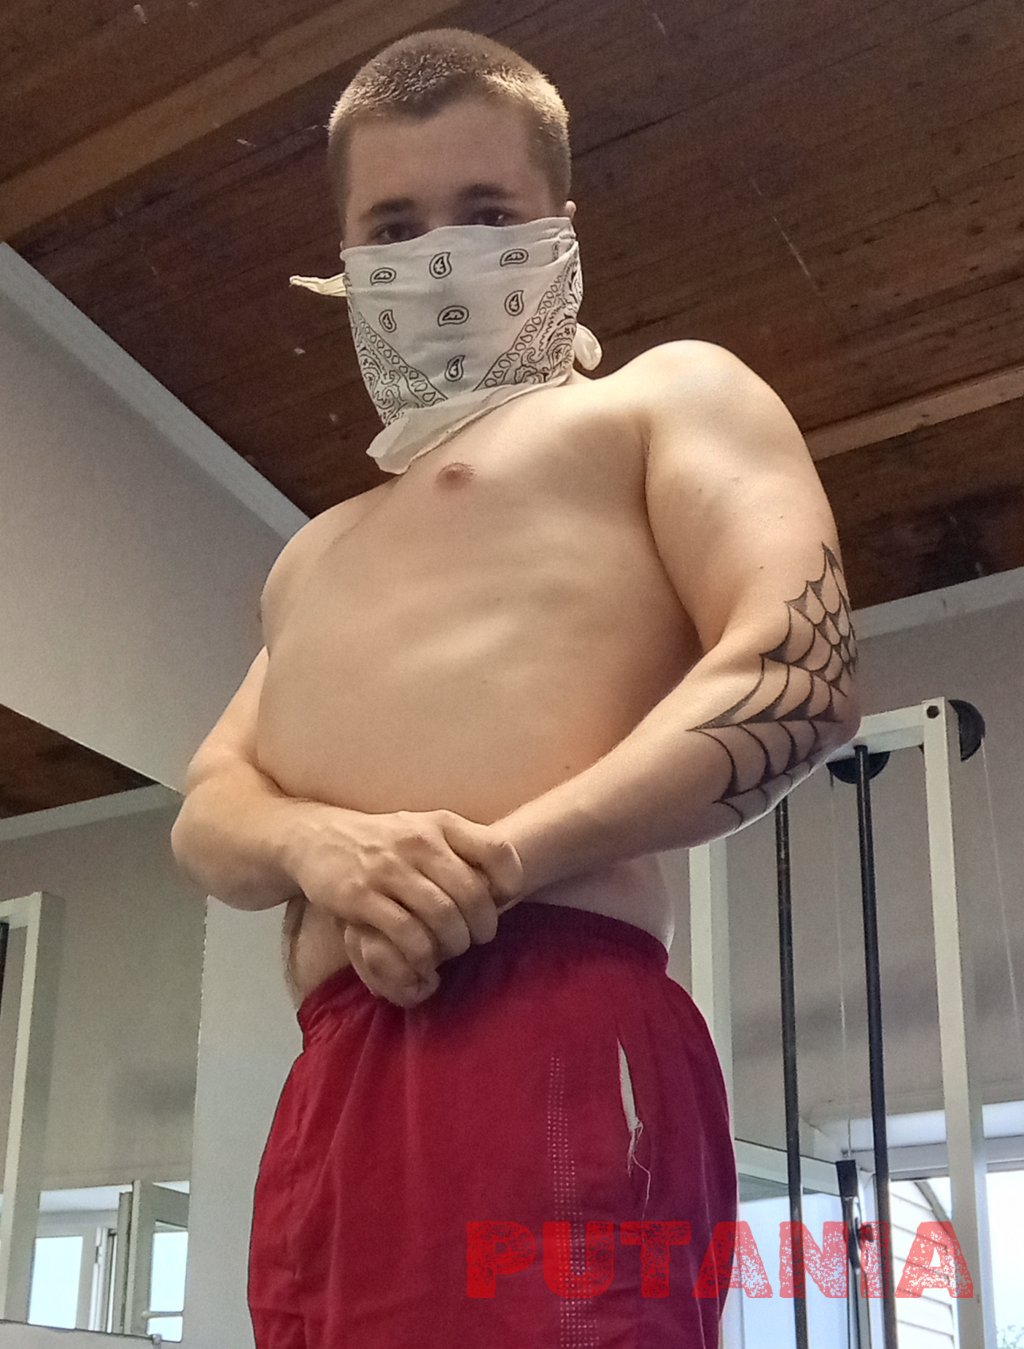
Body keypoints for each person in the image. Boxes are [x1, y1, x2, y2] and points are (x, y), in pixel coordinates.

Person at [169, 26, 862, 1349]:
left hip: (557, 1026)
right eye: (396, 227)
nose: (441, 257)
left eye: (487, 214)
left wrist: (481, 872)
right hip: (334, 1081)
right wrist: (324, 847)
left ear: (561, 226)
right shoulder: (314, 554)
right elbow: (212, 807)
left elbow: (800, 664)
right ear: (347, 262)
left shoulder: (661, 401)